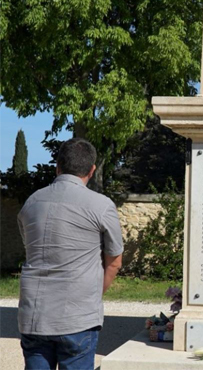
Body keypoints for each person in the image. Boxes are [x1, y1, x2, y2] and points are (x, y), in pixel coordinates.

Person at [18, 138, 124, 370]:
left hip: (34, 314)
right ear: (92, 170)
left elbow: (31, 249)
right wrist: (94, 294)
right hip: (78, 315)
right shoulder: (101, 205)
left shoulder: (31, 202)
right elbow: (114, 262)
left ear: (58, 166)